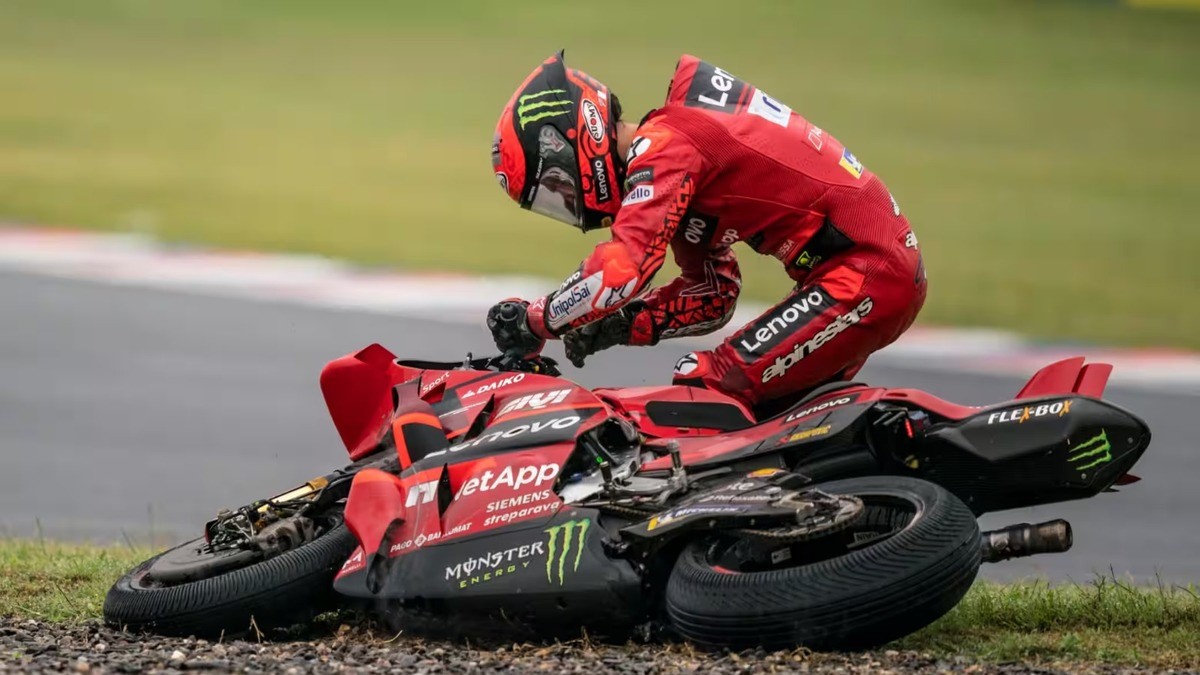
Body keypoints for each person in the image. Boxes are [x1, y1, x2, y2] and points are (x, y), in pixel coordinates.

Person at [487, 52, 926, 413]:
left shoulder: (665, 146)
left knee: (705, 383)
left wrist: (535, 321)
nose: (568, 205)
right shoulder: (679, 173)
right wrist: (620, 326)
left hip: (864, 273)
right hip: (863, 273)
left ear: (576, 137)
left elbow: (621, 271)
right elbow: (714, 296)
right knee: (763, 412)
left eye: (557, 187)